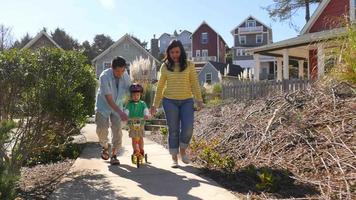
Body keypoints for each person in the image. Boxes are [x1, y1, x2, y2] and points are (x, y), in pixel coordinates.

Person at [150, 40, 203, 168]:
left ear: (181, 52)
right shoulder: (165, 66)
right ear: (168, 53)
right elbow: (160, 86)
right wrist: (155, 105)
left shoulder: (189, 65)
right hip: (169, 101)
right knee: (173, 130)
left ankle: (183, 151)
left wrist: (199, 99)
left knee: (188, 127)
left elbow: (194, 83)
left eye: (177, 52)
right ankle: (174, 158)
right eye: (172, 52)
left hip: (187, 101)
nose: (175, 54)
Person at [95, 56, 131, 165]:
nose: (120, 73)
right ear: (112, 67)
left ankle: (114, 155)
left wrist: (128, 108)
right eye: (118, 71)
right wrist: (121, 112)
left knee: (117, 132)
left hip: (118, 106)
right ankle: (105, 147)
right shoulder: (104, 76)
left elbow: (130, 92)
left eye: (123, 70)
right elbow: (109, 98)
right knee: (101, 129)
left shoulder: (125, 75)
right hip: (103, 106)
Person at [124, 83, 150, 159]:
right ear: (131, 96)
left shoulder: (142, 103)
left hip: (141, 123)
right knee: (134, 138)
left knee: (140, 137)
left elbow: (145, 110)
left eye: (138, 95)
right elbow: (126, 111)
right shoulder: (129, 104)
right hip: (132, 124)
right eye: (134, 95)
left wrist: (146, 115)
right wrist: (125, 115)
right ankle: (135, 150)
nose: (136, 97)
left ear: (140, 95)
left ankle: (141, 149)